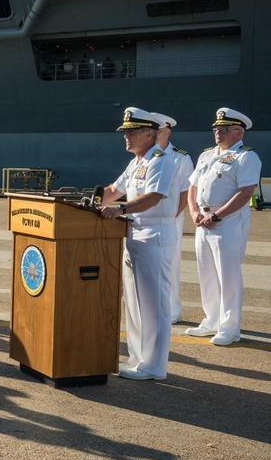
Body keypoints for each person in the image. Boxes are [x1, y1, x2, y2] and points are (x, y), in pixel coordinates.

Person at [99, 107, 177, 381]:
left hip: (154, 234)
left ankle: (154, 366)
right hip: (134, 234)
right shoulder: (137, 162)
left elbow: (154, 196)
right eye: (125, 132)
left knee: (153, 303)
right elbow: (113, 190)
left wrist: (120, 210)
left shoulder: (161, 160)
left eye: (131, 132)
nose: (126, 137)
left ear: (149, 134)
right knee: (132, 302)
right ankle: (137, 358)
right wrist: (90, 203)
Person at [185, 108, 262, 345]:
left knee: (228, 276)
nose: (217, 132)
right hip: (203, 222)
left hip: (227, 223)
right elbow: (193, 187)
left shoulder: (246, 157)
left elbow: (245, 192)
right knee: (206, 273)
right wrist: (195, 212)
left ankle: (230, 328)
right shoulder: (207, 155)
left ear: (239, 132)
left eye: (224, 129)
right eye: (216, 128)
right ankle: (212, 320)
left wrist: (217, 216)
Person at [151, 112, 193, 324]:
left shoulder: (181, 157)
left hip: (171, 219)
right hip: (147, 220)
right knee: (149, 264)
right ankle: (154, 308)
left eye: (159, 131)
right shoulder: (146, 156)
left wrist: (169, 217)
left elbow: (186, 192)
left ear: (168, 132)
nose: (155, 135)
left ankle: (172, 309)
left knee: (170, 262)